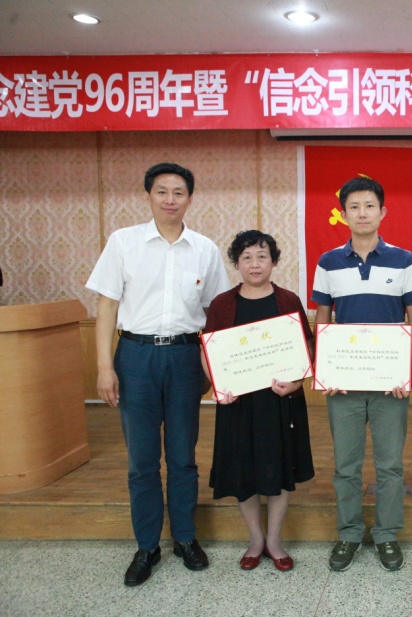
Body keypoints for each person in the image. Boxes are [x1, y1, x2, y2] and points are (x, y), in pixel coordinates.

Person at [86, 162, 231, 586]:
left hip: (185, 357)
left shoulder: (204, 249)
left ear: (190, 199)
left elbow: (217, 313)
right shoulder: (124, 242)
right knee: (142, 460)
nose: (170, 199)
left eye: (178, 192)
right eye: (162, 191)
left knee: (183, 456)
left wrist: (218, 369)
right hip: (135, 356)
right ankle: (147, 545)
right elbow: (107, 307)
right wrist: (104, 367)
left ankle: (185, 537)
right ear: (148, 196)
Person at [311, 176, 412, 572]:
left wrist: (404, 369)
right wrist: (326, 368)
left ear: (382, 212)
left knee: (390, 465)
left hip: (389, 385)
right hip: (344, 384)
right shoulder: (328, 262)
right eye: (354, 207)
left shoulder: (403, 260)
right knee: (346, 466)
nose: (362, 213)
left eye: (369, 206)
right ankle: (349, 533)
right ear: (343, 214)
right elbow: (322, 319)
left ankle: (387, 534)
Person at [202, 230, 315, 572]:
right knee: (243, 471)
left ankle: (275, 541)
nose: (255, 264)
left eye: (262, 256)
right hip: (238, 405)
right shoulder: (222, 304)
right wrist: (219, 385)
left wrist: (296, 382)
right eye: (247, 257)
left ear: (274, 262)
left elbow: (307, 347)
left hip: (280, 402)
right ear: (236, 264)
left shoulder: (288, 300)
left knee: (279, 469)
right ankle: (255, 539)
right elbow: (208, 350)